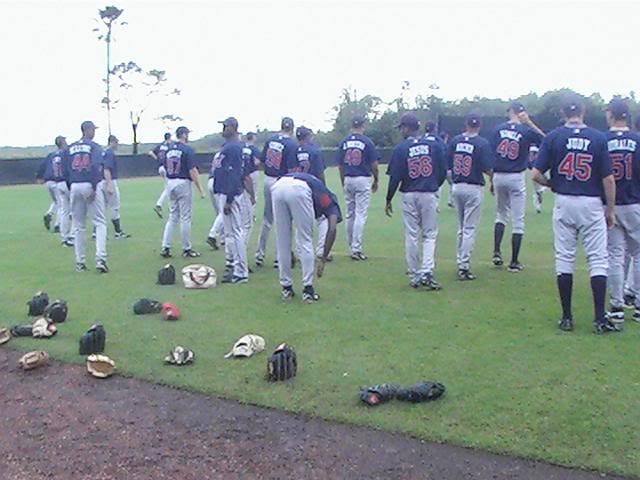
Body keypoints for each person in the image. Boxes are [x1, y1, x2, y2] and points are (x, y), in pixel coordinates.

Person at [532, 93, 619, 334]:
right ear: (584, 112)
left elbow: (536, 175)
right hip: (591, 202)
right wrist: (610, 210)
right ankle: (600, 319)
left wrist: (553, 184)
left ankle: (567, 317)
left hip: (564, 200)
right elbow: (609, 180)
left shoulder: (553, 137)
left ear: (563, 114)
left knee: (565, 258)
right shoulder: (597, 137)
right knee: (598, 260)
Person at [385, 113, 448, 289]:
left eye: (402, 128)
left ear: (406, 128)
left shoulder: (401, 148)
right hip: (428, 192)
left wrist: (388, 198)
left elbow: (395, 178)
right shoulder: (434, 145)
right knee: (429, 235)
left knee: (412, 234)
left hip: (409, 194)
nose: (401, 131)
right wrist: (435, 185)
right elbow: (443, 171)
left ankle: (414, 275)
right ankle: (427, 271)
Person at [489, 102, 544, 271]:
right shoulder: (526, 131)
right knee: (518, 220)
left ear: (510, 112)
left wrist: (491, 180)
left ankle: (497, 252)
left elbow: (492, 154)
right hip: (516, 176)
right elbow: (545, 140)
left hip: (498, 175)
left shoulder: (497, 129)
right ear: (522, 113)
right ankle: (513, 262)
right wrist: (529, 123)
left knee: (501, 214)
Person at [272, 172, 342, 303]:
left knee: (282, 241)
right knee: (305, 239)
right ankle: (308, 290)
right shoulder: (331, 202)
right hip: (299, 188)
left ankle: (286, 289)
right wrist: (323, 259)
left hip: (278, 186)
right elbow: (332, 228)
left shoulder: (319, 189)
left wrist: (290, 253)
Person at [603, 98, 640, 326]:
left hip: (611, 204)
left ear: (611, 114)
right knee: (638, 255)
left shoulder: (602, 140)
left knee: (615, 257)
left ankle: (617, 307)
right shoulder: (637, 140)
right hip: (636, 203)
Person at [446, 113, 494, 280]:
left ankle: (460, 260)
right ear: (479, 126)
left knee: (461, 227)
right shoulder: (482, 143)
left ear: (465, 125)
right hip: (473, 187)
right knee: (469, 228)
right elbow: (488, 168)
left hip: (457, 186)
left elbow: (448, 166)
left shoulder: (455, 141)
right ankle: (464, 266)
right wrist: (493, 180)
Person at [212, 117, 253, 284]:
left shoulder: (234, 147)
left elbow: (236, 174)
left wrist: (229, 198)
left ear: (234, 128)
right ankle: (236, 268)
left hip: (231, 193)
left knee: (235, 233)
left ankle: (241, 272)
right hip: (226, 192)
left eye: (225, 126)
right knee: (230, 233)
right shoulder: (231, 146)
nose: (223, 129)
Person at [64, 121, 107, 273]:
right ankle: (100, 259)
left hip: (75, 185)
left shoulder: (70, 148)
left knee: (79, 226)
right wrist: (94, 187)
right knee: (100, 222)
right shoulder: (94, 146)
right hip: (89, 184)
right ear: (87, 130)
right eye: (93, 129)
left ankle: (80, 262)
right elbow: (96, 167)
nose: (94, 132)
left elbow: (65, 170)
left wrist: (71, 188)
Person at [256, 117, 298, 268]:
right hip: (281, 181)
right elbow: (293, 169)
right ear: (292, 128)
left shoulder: (271, 139)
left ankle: (259, 254)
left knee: (267, 219)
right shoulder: (292, 144)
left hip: (268, 179)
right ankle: (279, 257)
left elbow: (261, 162)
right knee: (285, 221)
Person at [336, 115, 380, 261]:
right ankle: (356, 248)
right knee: (360, 214)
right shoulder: (367, 142)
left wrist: (343, 181)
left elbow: (340, 166)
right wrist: (376, 180)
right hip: (362, 178)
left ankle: (351, 246)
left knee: (350, 214)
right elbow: (374, 164)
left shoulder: (344, 142)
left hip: (348, 177)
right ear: (363, 125)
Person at [160, 126, 205, 258]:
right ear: (184, 135)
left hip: (170, 182)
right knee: (185, 217)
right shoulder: (187, 150)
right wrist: (200, 189)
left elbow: (163, 168)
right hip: (183, 182)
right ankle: (187, 248)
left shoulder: (169, 149)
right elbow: (192, 171)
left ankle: (165, 247)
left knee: (173, 216)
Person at [295, 126, 330, 259]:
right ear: (308, 136)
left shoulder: (293, 150)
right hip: (312, 187)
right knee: (322, 218)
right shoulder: (314, 151)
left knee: (300, 220)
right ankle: (321, 250)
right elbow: (320, 173)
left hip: (296, 187)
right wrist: (324, 189)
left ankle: (300, 251)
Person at [39, 136, 72, 245]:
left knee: (58, 203)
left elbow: (42, 166)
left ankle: (50, 213)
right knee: (64, 207)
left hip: (50, 181)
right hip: (61, 181)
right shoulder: (66, 153)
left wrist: (39, 177)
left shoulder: (52, 155)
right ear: (63, 143)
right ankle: (59, 226)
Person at [100, 135, 131, 239]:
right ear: (112, 142)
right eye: (116, 142)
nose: (117, 144)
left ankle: (96, 232)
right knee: (114, 207)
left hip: (101, 181)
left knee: (102, 208)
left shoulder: (103, 152)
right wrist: (109, 183)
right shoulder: (109, 153)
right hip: (109, 180)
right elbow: (107, 168)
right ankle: (118, 232)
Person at [149, 132, 172, 218]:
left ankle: (167, 207)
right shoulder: (170, 146)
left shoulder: (160, 146)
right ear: (169, 138)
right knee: (169, 188)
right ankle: (159, 205)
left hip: (160, 168)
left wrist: (157, 159)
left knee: (168, 187)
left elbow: (150, 152)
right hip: (166, 168)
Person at [528, 145, 546, 213]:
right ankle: (538, 206)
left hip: (539, 170)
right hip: (535, 171)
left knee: (539, 190)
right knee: (538, 190)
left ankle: (538, 205)